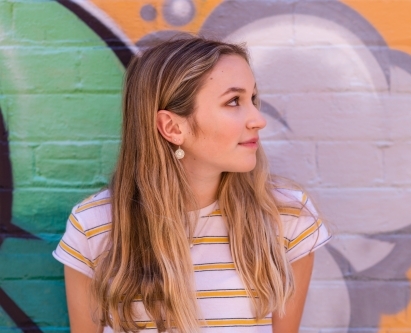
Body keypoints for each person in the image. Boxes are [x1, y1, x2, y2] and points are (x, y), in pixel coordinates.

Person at [53, 36, 331, 333]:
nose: (258, 119)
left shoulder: (286, 218)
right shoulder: (95, 226)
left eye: (252, 99)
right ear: (172, 127)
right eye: (234, 101)